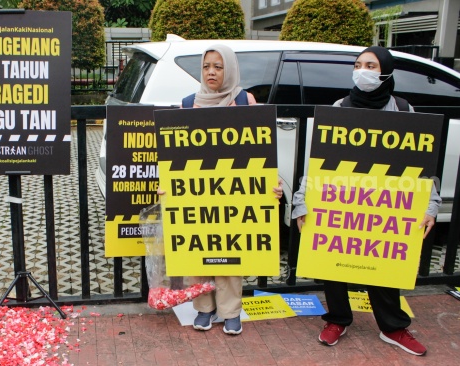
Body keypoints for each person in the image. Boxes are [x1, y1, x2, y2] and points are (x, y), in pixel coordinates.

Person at [292, 46, 440, 356]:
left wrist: (431, 206)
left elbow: (423, 167)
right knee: (332, 260)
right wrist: (302, 201)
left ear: (386, 71)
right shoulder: (340, 106)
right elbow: (319, 161)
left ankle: (393, 327)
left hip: (386, 205)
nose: (363, 71)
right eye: (358, 64)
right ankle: (337, 319)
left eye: (371, 65)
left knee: (385, 261)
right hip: (341, 202)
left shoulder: (402, 109)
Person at [167, 44, 282, 335]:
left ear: (229, 69)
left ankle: (231, 311)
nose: (211, 72)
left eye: (218, 66)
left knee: (231, 252)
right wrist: (167, 187)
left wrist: (272, 185)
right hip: (197, 193)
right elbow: (176, 156)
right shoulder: (189, 102)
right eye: (206, 66)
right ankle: (204, 309)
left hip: (235, 192)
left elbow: (262, 149)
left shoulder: (244, 100)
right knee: (198, 252)